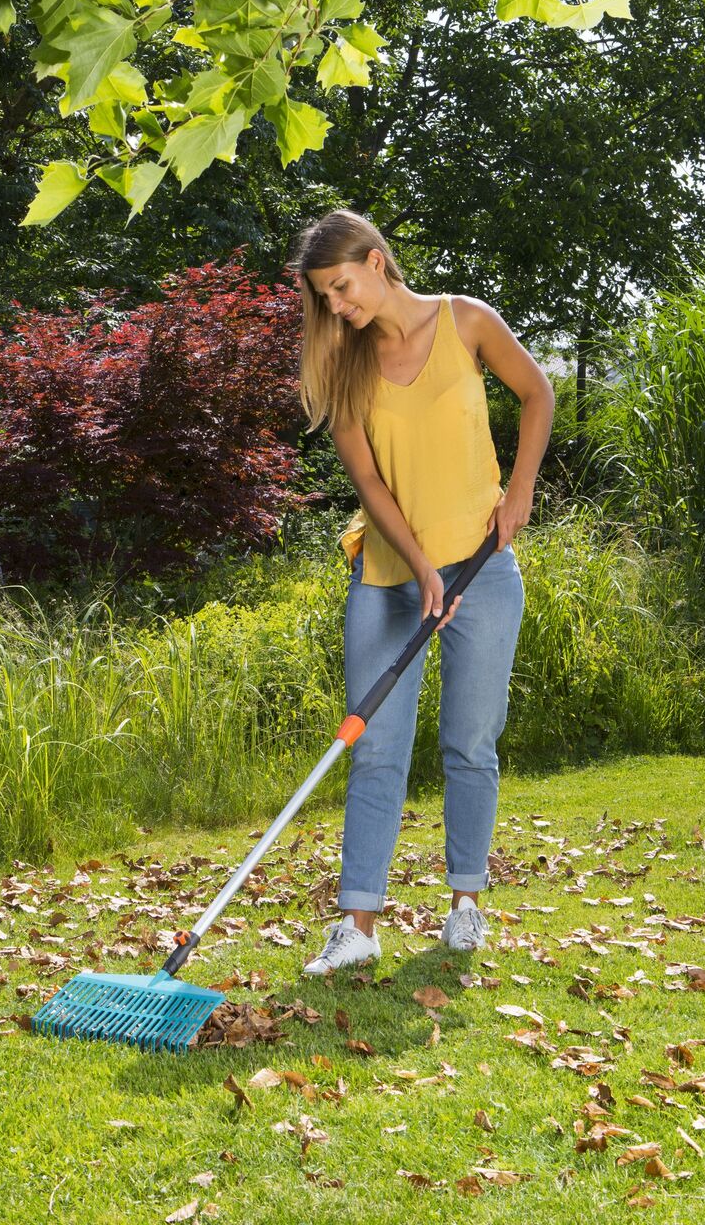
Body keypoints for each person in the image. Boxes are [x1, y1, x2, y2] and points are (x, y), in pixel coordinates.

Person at [287, 209, 555, 976]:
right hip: (388, 579)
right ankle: (357, 925)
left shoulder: (465, 322)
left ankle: (467, 905)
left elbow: (537, 395)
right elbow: (369, 483)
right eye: (324, 298)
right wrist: (420, 567)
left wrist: (520, 493)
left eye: (341, 288)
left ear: (376, 262)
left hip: (485, 567)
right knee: (375, 750)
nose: (337, 306)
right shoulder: (344, 366)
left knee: (470, 743)